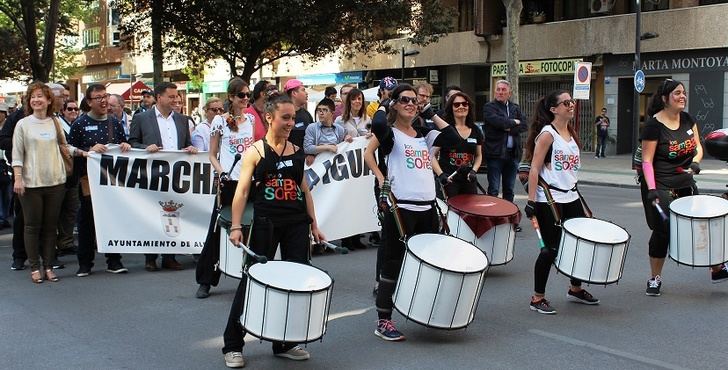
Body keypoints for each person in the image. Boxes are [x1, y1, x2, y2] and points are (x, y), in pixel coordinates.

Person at [221, 95, 325, 367]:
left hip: (296, 223)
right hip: (266, 222)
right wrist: (235, 226)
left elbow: (304, 190)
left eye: (293, 117)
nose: (291, 123)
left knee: (295, 282)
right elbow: (242, 192)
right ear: (270, 117)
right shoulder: (255, 151)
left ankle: (284, 342)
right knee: (253, 280)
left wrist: (314, 223)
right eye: (285, 117)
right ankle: (233, 345)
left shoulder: (297, 150)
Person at [363, 84, 459, 340]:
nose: (410, 104)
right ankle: (384, 320)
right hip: (401, 208)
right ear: (395, 104)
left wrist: (428, 110)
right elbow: (379, 126)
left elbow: (453, 138)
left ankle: (421, 309)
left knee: (426, 264)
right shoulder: (391, 135)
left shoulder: (423, 134)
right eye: (404, 100)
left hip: (427, 208)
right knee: (392, 263)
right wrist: (385, 103)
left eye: (414, 101)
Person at [639, 79, 728, 296]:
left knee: (702, 224)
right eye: (677, 93)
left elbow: (698, 147)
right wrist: (651, 189)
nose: (682, 96)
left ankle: (716, 268)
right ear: (665, 98)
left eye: (684, 93)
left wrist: (696, 162)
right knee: (664, 229)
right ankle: (654, 278)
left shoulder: (688, 120)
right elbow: (647, 161)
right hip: (659, 184)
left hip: (685, 182)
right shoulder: (653, 125)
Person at [522, 89, 599, 314]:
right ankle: (537, 298)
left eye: (571, 102)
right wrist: (531, 201)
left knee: (578, 244)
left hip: (571, 196)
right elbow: (534, 167)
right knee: (550, 250)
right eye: (565, 103)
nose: (570, 105)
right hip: (549, 199)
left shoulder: (571, 133)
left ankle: (575, 289)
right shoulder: (548, 134)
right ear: (553, 109)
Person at [12, 82, 86, 283]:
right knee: (32, 227)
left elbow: (64, 146)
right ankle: (35, 267)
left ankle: (48, 266)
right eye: (33, 96)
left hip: (55, 182)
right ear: (29, 101)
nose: (36, 100)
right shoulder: (23, 124)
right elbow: (17, 155)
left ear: (48, 100)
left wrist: (82, 152)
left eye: (40, 96)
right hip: (31, 184)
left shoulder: (54, 122)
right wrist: (18, 179)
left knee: (50, 226)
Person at [195, 81, 256, 299]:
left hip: (250, 179)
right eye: (241, 95)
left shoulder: (250, 119)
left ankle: (253, 276)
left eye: (248, 95)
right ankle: (205, 280)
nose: (245, 98)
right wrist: (221, 172)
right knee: (217, 229)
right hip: (229, 182)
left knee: (254, 227)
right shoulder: (219, 121)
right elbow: (212, 154)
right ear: (231, 97)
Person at [129, 82, 198, 271]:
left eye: (177, 96)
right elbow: (132, 143)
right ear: (159, 97)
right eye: (172, 96)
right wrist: (145, 148)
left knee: (172, 214)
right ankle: (150, 257)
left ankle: (170, 256)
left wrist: (190, 149)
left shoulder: (183, 120)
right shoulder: (142, 118)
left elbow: (186, 144)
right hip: (151, 175)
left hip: (175, 176)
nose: (176, 99)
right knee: (151, 213)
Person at [69, 84, 131, 277]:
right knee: (87, 220)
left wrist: (125, 145)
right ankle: (85, 263)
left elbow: (124, 143)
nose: (103, 101)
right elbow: (70, 148)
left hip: (111, 180)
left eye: (105, 96)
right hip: (88, 180)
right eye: (98, 98)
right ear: (89, 102)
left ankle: (114, 260)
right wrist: (89, 149)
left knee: (112, 218)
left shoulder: (114, 122)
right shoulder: (80, 124)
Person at [483, 79, 527, 231]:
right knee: (493, 189)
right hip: (495, 154)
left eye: (503, 90)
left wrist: (510, 126)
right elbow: (497, 122)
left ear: (509, 93)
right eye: (498, 89)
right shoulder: (489, 107)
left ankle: (509, 221)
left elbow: (524, 125)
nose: (500, 92)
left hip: (512, 155)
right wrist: (512, 122)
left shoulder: (515, 107)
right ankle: (492, 220)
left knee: (509, 190)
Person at [432, 92, 483, 198]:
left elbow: (478, 155)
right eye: (456, 104)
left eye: (465, 104)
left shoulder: (476, 130)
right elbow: (431, 155)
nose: (461, 107)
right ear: (451, 108)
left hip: (469, 181)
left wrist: (474, 171)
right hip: (449, 181)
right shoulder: (445, 130)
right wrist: (441, 175)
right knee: (451, 212)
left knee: (470, 212)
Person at [284, 79, 313, 148]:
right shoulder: (283, 115)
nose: (306, 93)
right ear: (294, 93)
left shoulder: (306, 114)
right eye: (303, 90)